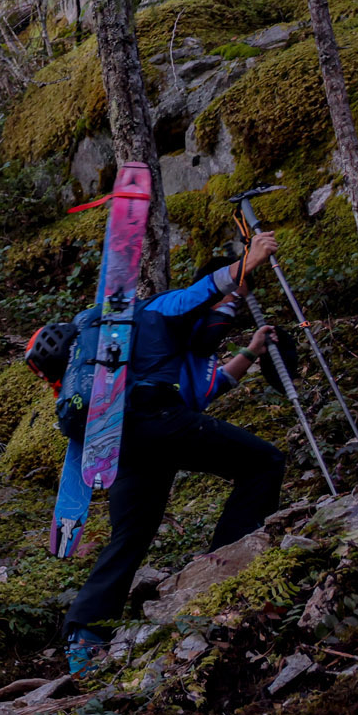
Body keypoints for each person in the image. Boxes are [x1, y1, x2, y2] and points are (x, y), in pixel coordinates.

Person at [63, 231, 283, 675]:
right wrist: (246, 264)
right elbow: (197, 295)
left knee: (131, 537)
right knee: (265, 462)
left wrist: (249, 353)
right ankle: (227, 569)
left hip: (126, 436)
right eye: (233, 301)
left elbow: (198, 393)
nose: (232, 309)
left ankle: (85, 636)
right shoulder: (164, 307)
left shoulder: (171, 343)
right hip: (152, 421)